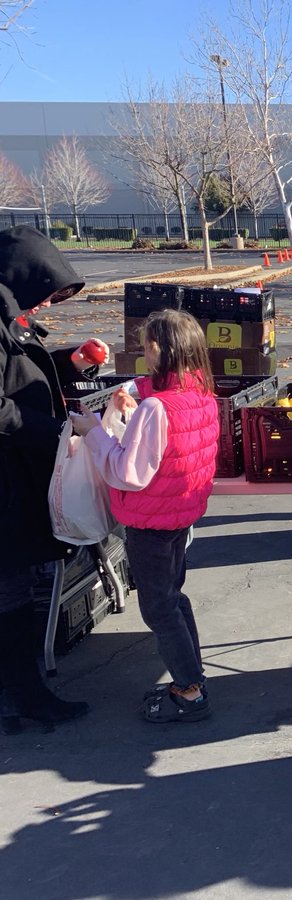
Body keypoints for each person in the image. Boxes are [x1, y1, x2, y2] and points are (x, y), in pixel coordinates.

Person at [71, 309, 219, 724]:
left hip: (149, 522)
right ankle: (193, 677)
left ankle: (190, 691)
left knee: (158, 608)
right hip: (179, 514)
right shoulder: (200, 392)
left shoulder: (156, 407)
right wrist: (132, 407)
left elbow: (129, 473)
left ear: (159, 349)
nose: (143, 354)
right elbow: (168, 447)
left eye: (147, 346)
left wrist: (94, 432)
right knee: (172, 597)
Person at [1, 225, 105, 733]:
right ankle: (24, 695)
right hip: (7, 476)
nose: (45, 305)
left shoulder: (9, 315)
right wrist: (56, 432)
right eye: (45, 292)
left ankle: (22, 690)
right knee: (11, 588)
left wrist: (72, 362)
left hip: (19, 468)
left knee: (16, 584)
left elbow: (23, 374)